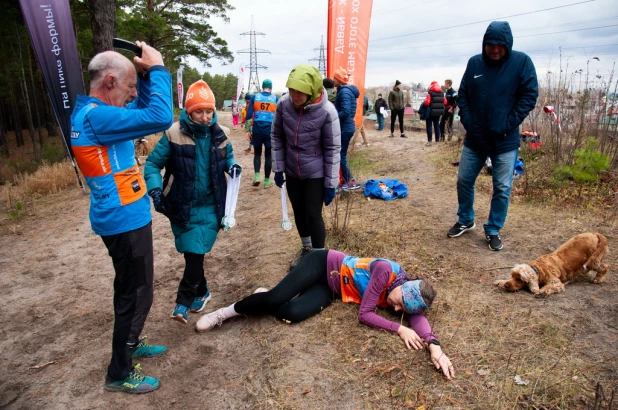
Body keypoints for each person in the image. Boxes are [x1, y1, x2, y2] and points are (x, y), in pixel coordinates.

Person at [70, 43, 173, 393]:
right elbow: (159, 116)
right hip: (124, 220)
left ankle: (132, 340)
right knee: (138, 293)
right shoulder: (97, 117)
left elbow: (144, 107)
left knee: (128, 288)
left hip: (121, 216)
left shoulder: (93, 113)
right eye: (129, 87)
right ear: (110, 80)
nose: (132, 96)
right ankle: (119, 371)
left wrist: (143, 79)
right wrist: (158, 70)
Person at [195, 249, 455, 380]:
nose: (396, 310)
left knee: (292, 313)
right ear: (401, 287)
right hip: (323, 264)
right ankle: (225, 312)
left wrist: (434, 347)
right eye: (399, 304)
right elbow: (364, 314)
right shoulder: (385, 272)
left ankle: (265, 297)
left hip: (332, 290)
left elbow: (418, 318)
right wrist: (399, 328)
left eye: (401, 312)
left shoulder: (405, 294)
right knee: (275, 298)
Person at [144, 80, 241, 324]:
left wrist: (233, 167)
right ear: (189, 111)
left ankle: (182, 303)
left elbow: (229, 158)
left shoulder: (221, 134)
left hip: (211, 205)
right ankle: (202, 291)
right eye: (199, 111)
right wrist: (155, 190)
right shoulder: (173, 133)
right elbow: (153, 164)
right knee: (191, 253)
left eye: (209, 111)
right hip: (181, 205)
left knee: (196, 253)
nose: (205, 116)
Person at [448, 21, 538, 251]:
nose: (495, 49)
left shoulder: (522, 62)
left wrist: (508, 124)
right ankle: (466, 219)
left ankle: (493, 229)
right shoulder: (475, 63)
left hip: (505, 140)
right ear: (485, 44)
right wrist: (468, 121)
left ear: (507, 44)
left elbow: (529, 95)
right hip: (476, 138)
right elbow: (463, 95)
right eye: (491, 45)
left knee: (501, 187)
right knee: (464, 180)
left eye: (499, 45)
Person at [271, 64, 341, 269]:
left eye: (300, 92)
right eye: (291, 90)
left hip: (316, 172)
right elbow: (277, 135)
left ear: (311, 90)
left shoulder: (327, 111)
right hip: (292, 170)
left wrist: (330, 183)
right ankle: (307, 251)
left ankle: (319, 262)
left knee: (312, 213)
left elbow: (332, 148)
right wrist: (279, 167)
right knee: (299, 212)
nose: (295, 95)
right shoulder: (284, 105)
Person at [246, 79, 278, 188]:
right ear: (271, 88)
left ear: (262, 87)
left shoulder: (255, 97)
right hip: (270, 130)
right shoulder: (275, 99)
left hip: (257, 129)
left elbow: (249, 115)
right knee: (268, 156)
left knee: (257, 154)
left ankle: (256, 177)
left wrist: (248, 130)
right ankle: (267, 181)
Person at [333, 68, 361, 190]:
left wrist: (332, 119)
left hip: (345, 127)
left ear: (338, 80)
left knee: (340, 155)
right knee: (341, 154)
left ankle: (348, 180)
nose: (333, 80)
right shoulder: (346, 91)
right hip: (347, 126)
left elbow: (345, 111)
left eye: (334, 78)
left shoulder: (344, 92)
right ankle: (347, 179)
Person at [422, 81, 447, 145]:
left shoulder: (430, 93)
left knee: (429, 125)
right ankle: (437, 140)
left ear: (431, 86)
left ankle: (429, 140)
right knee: (436, 125)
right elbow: (445, 102)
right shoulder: (442, 93)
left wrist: (424, 102)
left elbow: (427, 102)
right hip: (438, 112)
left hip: (431, 111)